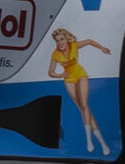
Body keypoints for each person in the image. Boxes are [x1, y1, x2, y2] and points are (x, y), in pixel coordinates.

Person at [46, 27, 111, 155]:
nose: (59, 43)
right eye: (57, 41)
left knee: (85, 105)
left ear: (66, 39)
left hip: (80, 75)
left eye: (61, 39)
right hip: (69, 80)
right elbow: (50, 72)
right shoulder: (56, 54)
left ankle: (90, 140)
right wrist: (60, 75)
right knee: (81, 108)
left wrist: (102, 48)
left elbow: (89, 41)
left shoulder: (74, 45)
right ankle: (100, 142)